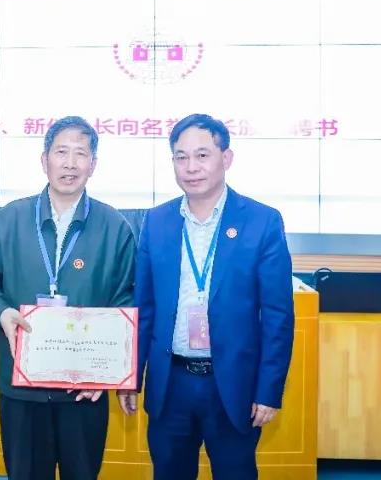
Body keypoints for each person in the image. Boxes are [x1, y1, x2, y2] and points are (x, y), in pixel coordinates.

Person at [0, 116, 136, 480]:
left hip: (84, 391)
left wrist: (110, 374)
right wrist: (2, 312)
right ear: (44, 160)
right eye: (61, 152)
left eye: (80, 154)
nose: (70, 163)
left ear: (93, 164)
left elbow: (127, 301)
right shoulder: (9, 220)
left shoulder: (114, 227)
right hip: (21, 390)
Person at [120, 113, 294, 480]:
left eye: (202, 155)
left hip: (232, 383)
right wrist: (130, 377)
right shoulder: (157, 221)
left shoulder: (261, 221)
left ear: (226, 158)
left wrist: (268, 390)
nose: (191, 167)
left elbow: (277, 315)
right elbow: (144, 309)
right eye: (180, 157)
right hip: (171, 382)